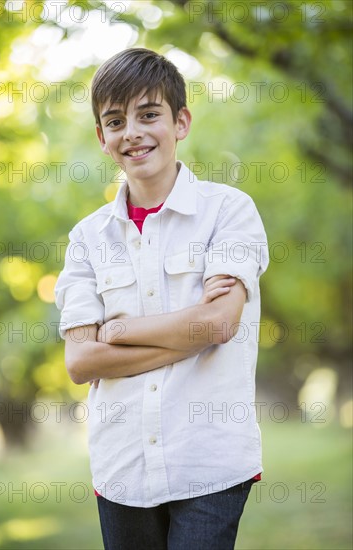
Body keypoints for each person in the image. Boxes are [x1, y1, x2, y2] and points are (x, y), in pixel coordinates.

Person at [55, 48, 269, 550]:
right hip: (123, 465)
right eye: (115, 120)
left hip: (210, 462)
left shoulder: (228, 212)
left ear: (181, 122)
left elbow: (218, 326)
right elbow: (82, 361)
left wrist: (121, 332)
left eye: (149, 114)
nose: (132, 132)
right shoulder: (87, 239)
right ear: (101, 138)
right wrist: (190, 328)